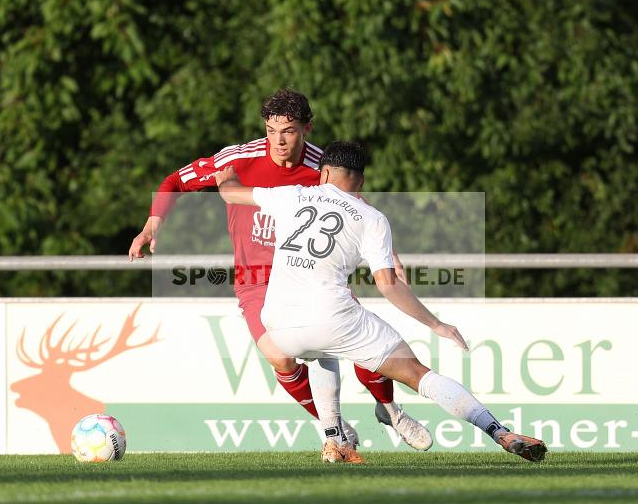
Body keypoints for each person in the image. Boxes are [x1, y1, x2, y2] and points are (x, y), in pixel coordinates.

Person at [128, 89, 432, 453]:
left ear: (307, 127)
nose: (278, 141)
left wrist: (392, 257)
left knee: (361, 347)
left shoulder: (323, 167)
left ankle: (391, 411)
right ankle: (328, 426)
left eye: (287, 130)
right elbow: (174, 181)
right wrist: (152, 225)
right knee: (280, 357)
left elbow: (360, 212)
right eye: (271, 130)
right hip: (256, 280)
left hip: (315, 273)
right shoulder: (239, 159)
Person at [214, 141, 548, 463]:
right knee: (419, 374)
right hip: (334, 320)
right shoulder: (371, 217)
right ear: (360, 179)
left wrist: (225, 175)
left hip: (279, 326)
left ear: (324, 172)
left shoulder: (293, 194)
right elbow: (388, 285)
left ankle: (334, 437)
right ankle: (499, 432)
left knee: (318, 353)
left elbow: (230, 193)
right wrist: (436, 324)